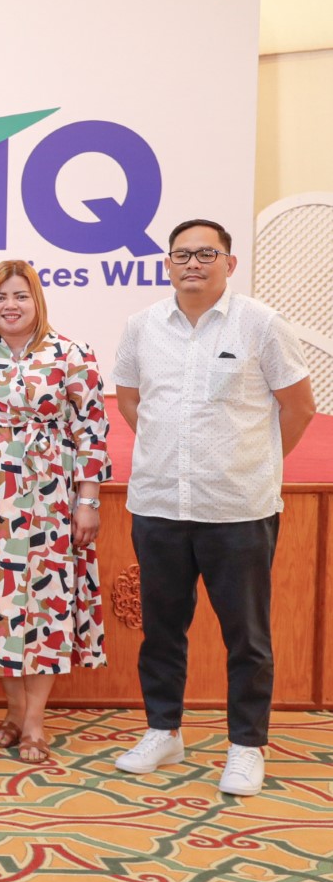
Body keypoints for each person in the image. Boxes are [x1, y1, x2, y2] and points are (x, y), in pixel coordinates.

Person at [112, 220, 315, 796]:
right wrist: (172, 454)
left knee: (246, 636)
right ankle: (163, 731)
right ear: (167, 264)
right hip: (159, 504)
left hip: (238, 508)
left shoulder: (261, 323)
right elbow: (130, 401)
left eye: (206, 254)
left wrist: (252, 463)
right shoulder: (141, 326)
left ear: (229, 262)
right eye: (182, 255)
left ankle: (247, 746)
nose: (193, 264)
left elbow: (298, 406)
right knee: (161, 630)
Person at [0, 260, 110, 764]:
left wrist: (87, 501)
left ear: (37, 301)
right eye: (0, 297)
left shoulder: (72, 355)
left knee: (41, 607)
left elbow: (92, 432)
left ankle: (35, 721)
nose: (10, 305)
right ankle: (14, 711)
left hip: (46, 499)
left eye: (20, 295)